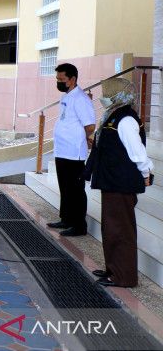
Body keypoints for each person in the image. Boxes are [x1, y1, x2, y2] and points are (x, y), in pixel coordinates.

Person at [86, 78, 153, 288]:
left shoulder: (125, 120)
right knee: (111, 228)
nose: (102, 96)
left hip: (121, 183)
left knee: (120, 230)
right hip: (112, 181)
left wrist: (146, 172)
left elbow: (138, 152)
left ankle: (123, 276)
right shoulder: (114, 115)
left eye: (106, 92)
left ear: (117, 95)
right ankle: (113, 269)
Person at [48, 63, 96, 237]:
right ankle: (66, 218)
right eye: (57, 79)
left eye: (62, 79)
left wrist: (82, 138)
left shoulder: (81, 99)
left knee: (75, 189)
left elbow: (90, 126)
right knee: (65, 187)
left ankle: (79, 225)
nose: (59, 82)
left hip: (73, 152)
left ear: (72, 79)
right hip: (62, 150)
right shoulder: (67, 96)